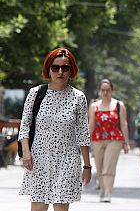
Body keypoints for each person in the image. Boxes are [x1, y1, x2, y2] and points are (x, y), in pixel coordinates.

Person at [18, 47, 91, 211]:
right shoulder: (35, 93)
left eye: (65, 67)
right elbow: (25, 125)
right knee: (38, 207)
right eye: (55, 67)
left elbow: (83, 134)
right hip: (39, 158)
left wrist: (87, 166)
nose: (60, 72)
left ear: (71, 70)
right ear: (48, 69)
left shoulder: (78, 97)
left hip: (67, 158)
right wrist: (26, 152)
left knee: (60, 207)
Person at [88, 79, 130, 202]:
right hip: (98, 139)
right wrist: (86, 143)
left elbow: (123, 124)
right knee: (99, 167)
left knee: (108, 167)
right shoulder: (94, 106)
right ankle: (102, 188)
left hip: (114, 139)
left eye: (108, 90)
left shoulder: (119, 105)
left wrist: (126, 142)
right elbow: (91, 125)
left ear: (112, 90)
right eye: (103, 90)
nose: (105, 93)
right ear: (99, 91)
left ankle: (108, 192)